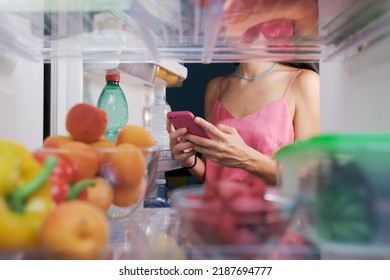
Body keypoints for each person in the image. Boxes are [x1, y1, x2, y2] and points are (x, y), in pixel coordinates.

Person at [167, 61, 319, 186]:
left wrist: (247, 159)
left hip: (272, 218)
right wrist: (190, 160)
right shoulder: (216, 86)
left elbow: (308, 180)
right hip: (219, 215)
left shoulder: (304, 81)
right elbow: (211, 173)